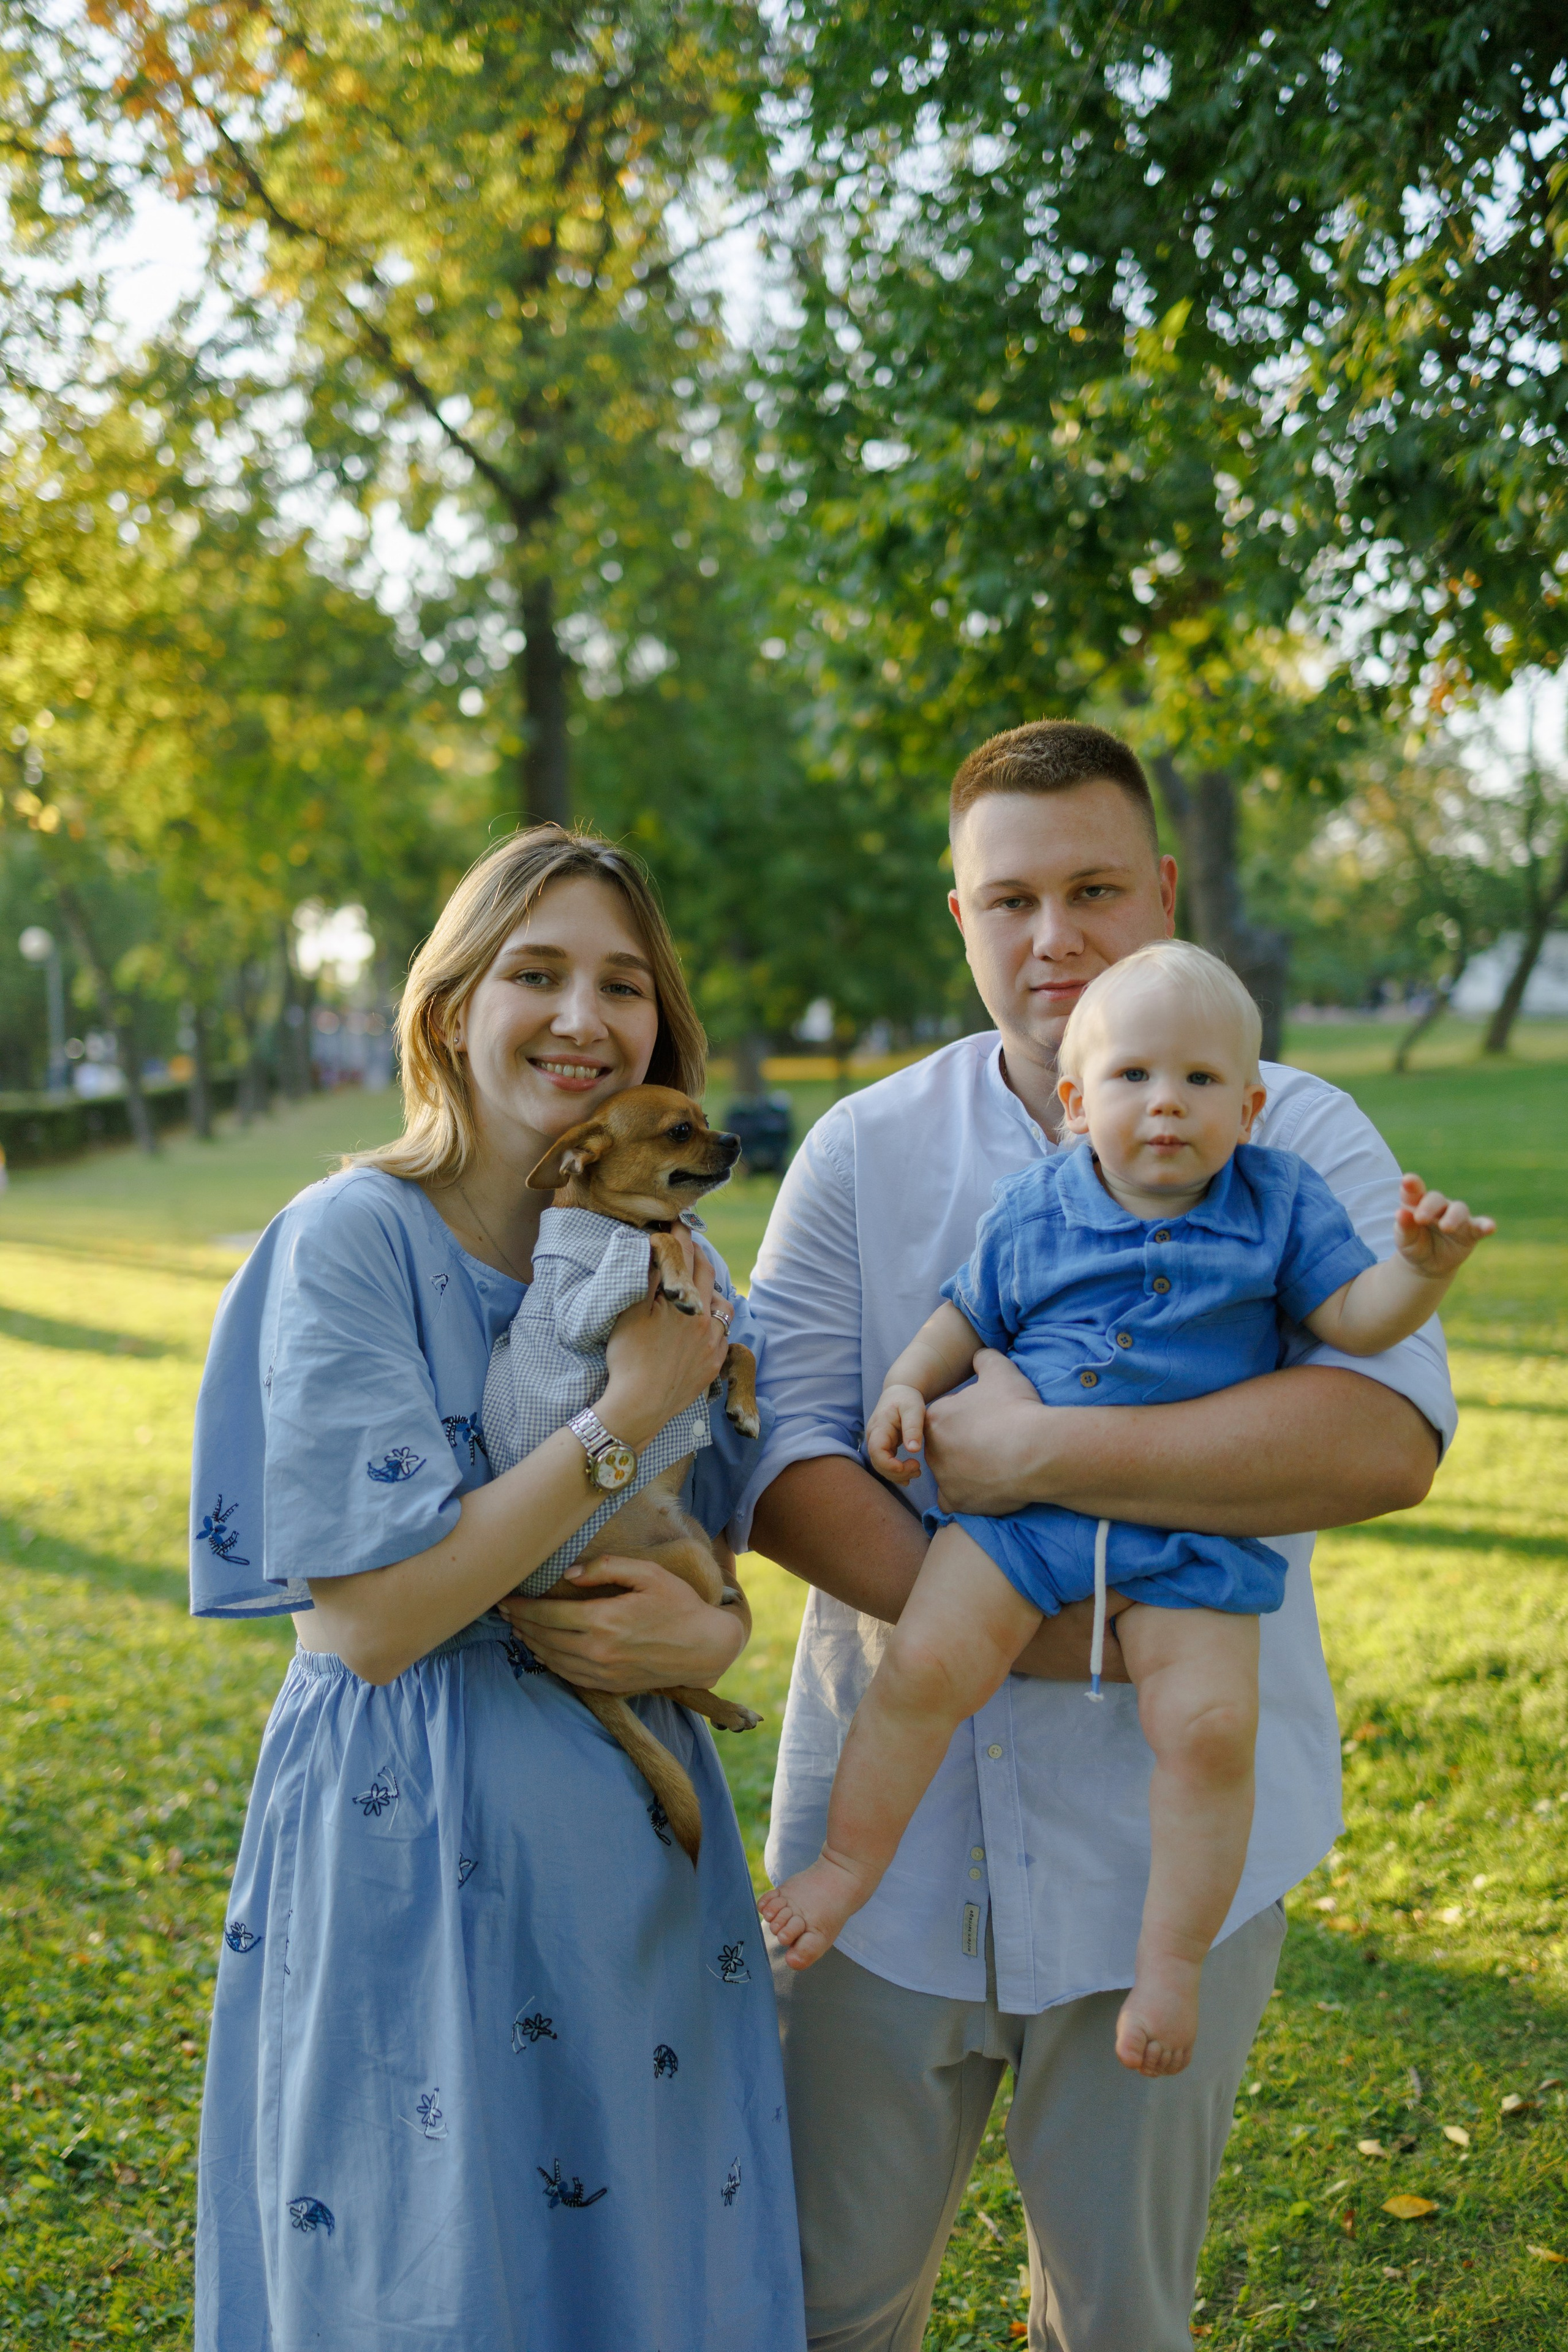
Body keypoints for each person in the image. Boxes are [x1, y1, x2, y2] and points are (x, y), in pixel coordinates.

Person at [741, 720, 1457, 2352]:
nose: (1054, 936)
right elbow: (782, 1465)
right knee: (825, 2307)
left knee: (1121, 2322)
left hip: (1171, 1848)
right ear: (962, 917)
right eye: (1012, 900)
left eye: (1092, 888)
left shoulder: (1293, 1135)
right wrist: (1020, 1620)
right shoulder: (864, 1149)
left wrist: (1048, 1451)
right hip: (888, 1860)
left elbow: (1381, 1433)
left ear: (1164, 886)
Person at [189, 827, 805, 2352]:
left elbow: (714, 1559)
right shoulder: (353, 1244)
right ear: (450, 1007)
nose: (583, 1019)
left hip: (635, 1866)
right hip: (414, 1853)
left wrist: (713, 1627)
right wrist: (610, 1421)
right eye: (536, 973)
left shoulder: (673, 1248)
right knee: (429, 2275)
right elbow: (371, 1620)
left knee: (638, 2272)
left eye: (624, 985)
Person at [760, 940, 1491, 2079]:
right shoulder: (1034, 1207)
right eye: (1135, 1079)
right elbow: (965, 1315)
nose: (1167, 1105)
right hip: (1017, 1529)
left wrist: (1423, 1272)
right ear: (1077, 1102)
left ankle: (1171, 1963)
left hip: (1188, 1537)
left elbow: (1355, 1322)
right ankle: (845, 1868)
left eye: (1202, 1083)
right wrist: (907, 1385)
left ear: (1249, 1107)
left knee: (1207, 1731)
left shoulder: (1276, 1204)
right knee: (924, 1671)